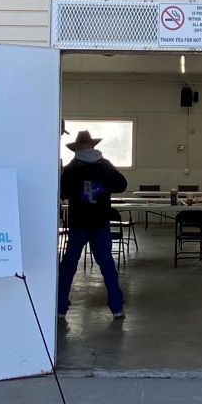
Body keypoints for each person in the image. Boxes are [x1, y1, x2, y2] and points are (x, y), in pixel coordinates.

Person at [58, 130, 128, 319]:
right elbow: (122, 185)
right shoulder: (104, 165)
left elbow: (62, 192)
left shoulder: (71, 168)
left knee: (69, 266)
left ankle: (60, 307)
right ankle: (117, 308)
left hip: (78, 224)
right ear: (93, 146)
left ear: (77, 148)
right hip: (99, 224)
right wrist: (102, 170)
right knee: (106, 265)